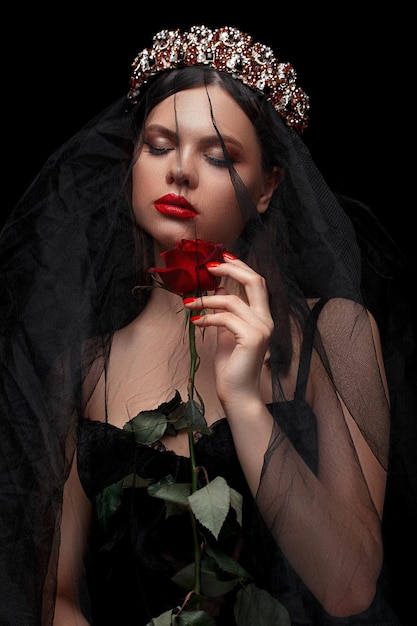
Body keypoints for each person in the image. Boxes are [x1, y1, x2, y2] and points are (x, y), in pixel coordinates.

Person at [0, 24, 415, 626]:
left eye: (218, 154)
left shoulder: (335, 333)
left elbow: (348, 587)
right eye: (159, 145)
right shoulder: (87, 366)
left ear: (268, 187)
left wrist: (244, 403)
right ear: (132, 162)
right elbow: (56, 599)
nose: (181, 172)